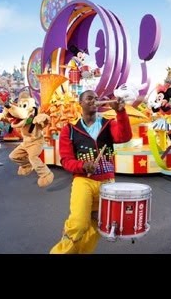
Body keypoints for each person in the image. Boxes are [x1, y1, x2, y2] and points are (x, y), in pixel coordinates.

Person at [50, 90, 132, 254]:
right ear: (80, 103)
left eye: (96, 98)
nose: (94, 100)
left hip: (107, 183)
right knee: (79, 223)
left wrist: (120, 112)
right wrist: (82, 165)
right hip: (83, 181)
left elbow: (124, 137)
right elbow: (66, 160)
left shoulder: (108, 124)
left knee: (98, 223)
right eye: (89, 98)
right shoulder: (70, 129)